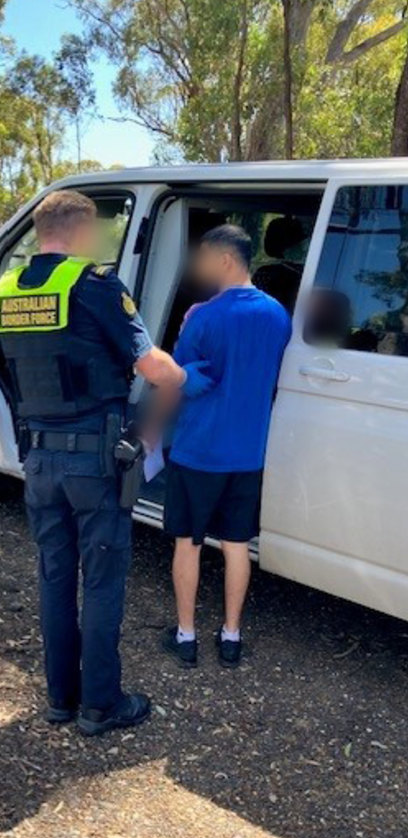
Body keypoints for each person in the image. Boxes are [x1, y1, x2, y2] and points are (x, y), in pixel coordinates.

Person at [0, 190, 211, 736]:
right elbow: (154, 368)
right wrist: (179, 376)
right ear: (83, 230)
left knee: (55, 579)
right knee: (104, 583)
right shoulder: (93, 285)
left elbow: (7, 368)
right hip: (94, 462)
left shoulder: (5, 290)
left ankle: (60, 700)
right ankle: (101, 705)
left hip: (38, 459)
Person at [156, 224, 291, 669]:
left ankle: (186, 636)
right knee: (236, 545)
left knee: (188, 543)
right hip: (248, 453)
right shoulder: (279, 315)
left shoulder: (203, 316)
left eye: (205, 258)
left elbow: (178, 381)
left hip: (198, 450)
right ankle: (231, 636)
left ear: (225, 260)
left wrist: (152, 428)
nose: (201, 267)